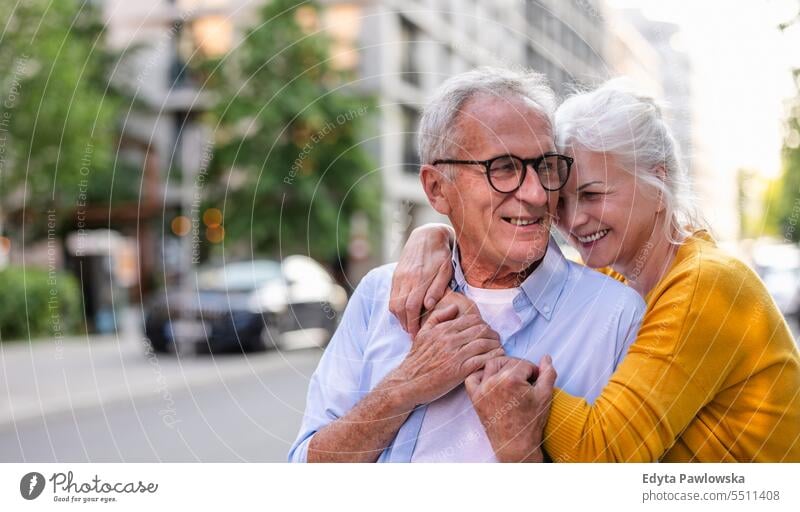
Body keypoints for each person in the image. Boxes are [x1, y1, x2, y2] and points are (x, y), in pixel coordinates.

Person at [390, 79, 800, 462]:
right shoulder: (619, 279)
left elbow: (605, 453)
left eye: (593, 195)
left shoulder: (707, 283)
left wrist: (469, 345)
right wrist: (438, 234)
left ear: (658, 183)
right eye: (563, 200)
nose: (573, 220)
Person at [288, 68, 645, 463]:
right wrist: (402, 389)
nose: (536, 193)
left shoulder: (616, 316)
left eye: (545, 166)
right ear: (437, 188)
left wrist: (522, 453)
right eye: (504, 167)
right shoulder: (379, 294)